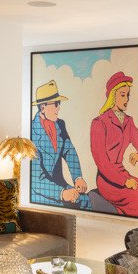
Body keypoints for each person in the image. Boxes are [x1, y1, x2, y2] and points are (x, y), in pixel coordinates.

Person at [89, 70, 138, 217]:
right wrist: (124, 181)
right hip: (107, 180)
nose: (127, 99)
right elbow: (101, 161)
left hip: (124, 174)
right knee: (137, 197)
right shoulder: (99, 123)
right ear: (113, 96)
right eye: (122, 95)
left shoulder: (128, 121)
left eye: (128, 95)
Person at [29, 80, 88, 209]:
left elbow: (69, 151)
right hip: (41, 194)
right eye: (56, 104)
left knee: (85, 200)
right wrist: (62, 193)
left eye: (59, 103)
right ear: (42, 107)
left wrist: (78, 178)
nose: (59, 108)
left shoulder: (60, 124)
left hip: (61, 185)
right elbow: (36, 180)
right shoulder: (31, 134)